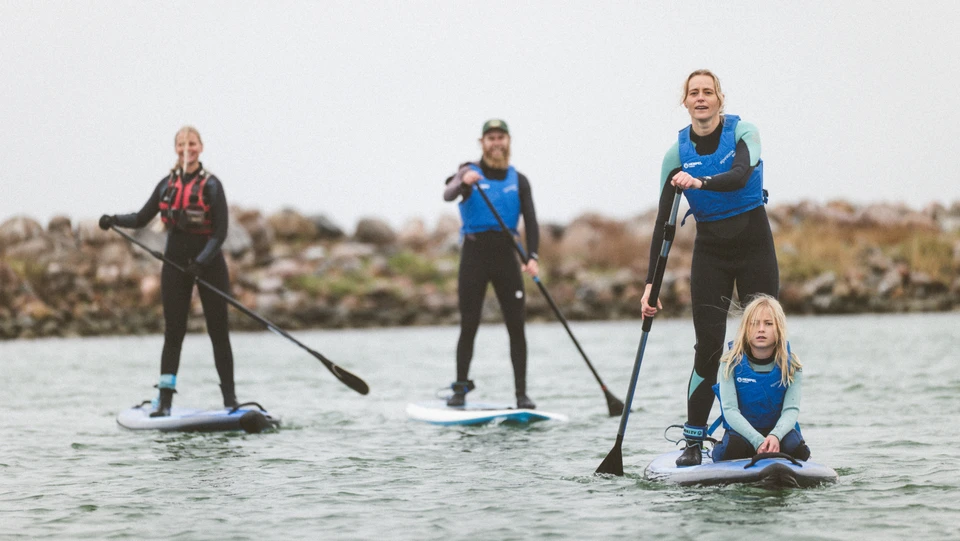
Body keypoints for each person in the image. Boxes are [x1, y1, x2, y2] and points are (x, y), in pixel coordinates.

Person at [641, 69, 779, 466]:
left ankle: (769, 437)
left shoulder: (744, 133)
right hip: (711, 255)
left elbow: (740, 176)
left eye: (708, 92)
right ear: (685, 102)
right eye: (693, 93)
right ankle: (693, 441)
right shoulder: (676, 155)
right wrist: (652, 285)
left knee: (765, 342)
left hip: (755, 247)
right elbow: (663, 223)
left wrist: (699, 184)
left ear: (720, 99)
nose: (701, 98)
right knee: (708, 349)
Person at [99, 126, 237, 417]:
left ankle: (230, 400)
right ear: (176, 149)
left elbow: (221, 231)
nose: (187, 148)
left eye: (193, 143)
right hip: (174, 264)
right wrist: (114, 219)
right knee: (174, 332)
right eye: (182, 144)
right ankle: (164, 400)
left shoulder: (212, 185)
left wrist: (200, 262)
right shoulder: (166, 184)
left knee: (218, 332)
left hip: (209, 264)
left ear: (201, 147)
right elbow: (140, 218)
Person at [442, 119, 540, 409]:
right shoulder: (468, 172)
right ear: (482, 143)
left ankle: (521, 395)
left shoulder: (519, 180)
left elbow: (531, 221)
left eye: (501, 137)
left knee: (516, 327)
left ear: (508, 141)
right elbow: (447, 193)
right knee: (469, 323)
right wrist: (463, 181)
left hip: (507, 256)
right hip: (474, 255)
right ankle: (460, 390)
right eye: (491, 138)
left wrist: (532, 256)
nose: (496, 143)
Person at [711, 294, 810, 462]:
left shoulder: (792, 365)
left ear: (779, 328)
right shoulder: (729, 363)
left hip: (779, 434)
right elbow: (730, 410)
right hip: (742, 434)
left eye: (768, 324)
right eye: (754, 323)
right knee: (731, 450)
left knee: (798, 450)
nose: (761, 329)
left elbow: (791, 410)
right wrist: (757, 441)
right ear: (745, 328)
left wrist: (775, 436)